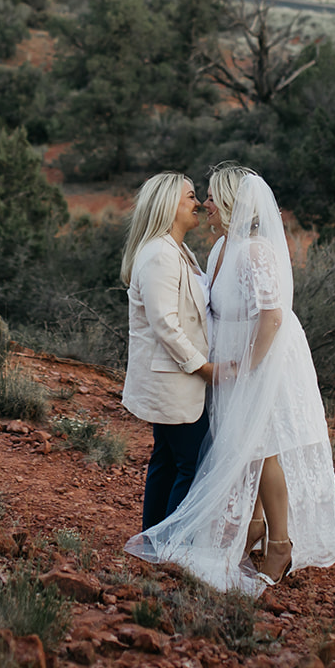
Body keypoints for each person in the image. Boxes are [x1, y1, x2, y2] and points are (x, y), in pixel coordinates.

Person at [125, 165, 335, 593]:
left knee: (263, 448)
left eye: (208, 196)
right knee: (243, 446)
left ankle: (279, 543)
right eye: (196, 196)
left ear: (229, 202)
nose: (204, 203)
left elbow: (273, 316)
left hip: (260, 361)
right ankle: (252, 528)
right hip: (227, 364)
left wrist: (248, 367)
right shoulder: (221, 246)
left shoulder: (255, 251)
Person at [120, 172, 214, 532]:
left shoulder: (178, 250)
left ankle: (152, 538)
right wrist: (204, 367)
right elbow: (165, 324)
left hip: (175, 377)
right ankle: (171, 543)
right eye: (190, 197)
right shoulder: (160, 254)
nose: (199, 203)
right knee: (191, 463)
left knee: (167, 459)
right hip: (175, 378)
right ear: (168, 206)